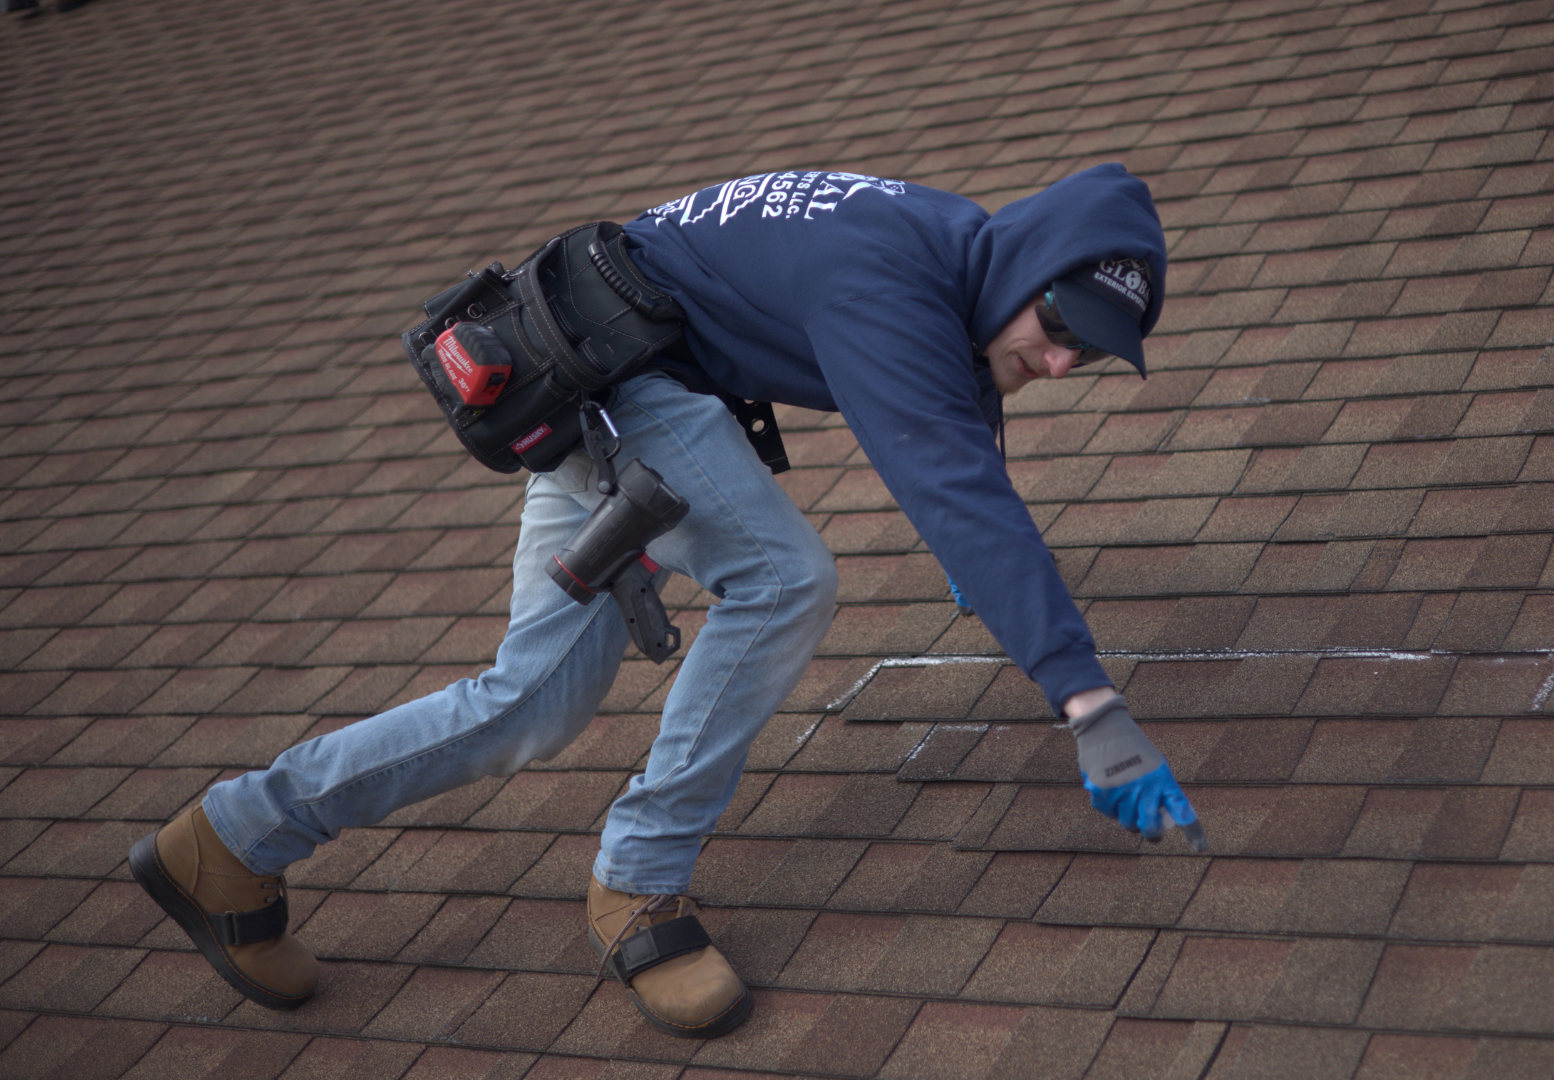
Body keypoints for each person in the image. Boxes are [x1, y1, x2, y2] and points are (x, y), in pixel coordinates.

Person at [129, 162, 1199, 1038]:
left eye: (1088, 354)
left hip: (605, 367)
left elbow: (965, 408)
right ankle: (639, 878)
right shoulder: (888, 283)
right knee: (784, 582)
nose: (1060, 362)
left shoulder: (957, 252)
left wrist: (988, 514)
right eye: (1059, 324)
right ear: (1029, 262)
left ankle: (228, 840)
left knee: (532, 700)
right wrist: (1088, 703)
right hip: (628, 383)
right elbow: (952, 482)